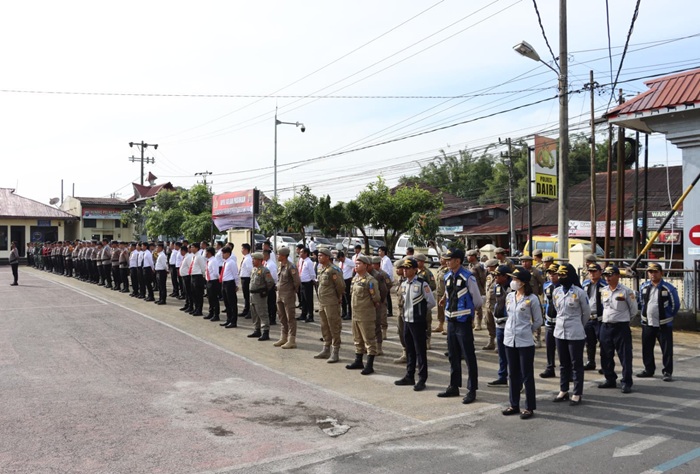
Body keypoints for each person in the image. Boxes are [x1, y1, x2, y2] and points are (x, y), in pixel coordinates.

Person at [437, 248, 483, 405]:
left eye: (450, 259)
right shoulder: (448, 275)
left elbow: (477, 300)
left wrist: (469, 314)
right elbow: (451, 294)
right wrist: (444, 300)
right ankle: (454, 385)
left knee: (469, 356)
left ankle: (472, 390)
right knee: (453, 355)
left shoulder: (468, 277)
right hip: (451, 321)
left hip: (463, 322)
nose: (447, 261)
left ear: (458, 261)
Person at [394, 258, 436, 391]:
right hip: (407, 319)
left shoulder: (422, 284)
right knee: (409, 349)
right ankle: (409, 375)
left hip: (417, 322)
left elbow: (431, 302)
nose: (405, 271)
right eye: (404, 268)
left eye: (407, 268)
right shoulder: (405, 284)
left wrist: (420, 312)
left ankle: (422, 379)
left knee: (420, 351)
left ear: (414, 270)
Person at [552, 264, 590, 406]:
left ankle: (577, 392)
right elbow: (557, 308)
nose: (561, 278)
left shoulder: (580, 292)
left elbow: (586, 313)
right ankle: (563, 390)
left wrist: (578, 324)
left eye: (564, 275)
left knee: (576, 364)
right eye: (559, 275)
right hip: (560, 331)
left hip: (575, 331)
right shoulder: (556, 291)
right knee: (563, 363)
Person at [637, 262, 680, 382]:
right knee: (647, 348)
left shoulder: (668, 288)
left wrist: (668, 316)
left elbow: (675, 305)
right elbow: (641, 302)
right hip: (647, 323)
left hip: (664, 324)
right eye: (650, 272)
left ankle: (667, 372)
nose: (653, 275)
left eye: (655, 272)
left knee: (666, 350)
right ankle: (648, 369)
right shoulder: (644, 287)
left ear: (661, 273)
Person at [598, 265, 636, 393]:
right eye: (606, 275)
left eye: (610, 275)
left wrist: (623, 320)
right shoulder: (603, 290)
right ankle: (610, 379)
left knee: (625, 355)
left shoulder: (626, 291)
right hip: (606, 326)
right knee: (605, 354)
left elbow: (633, 310)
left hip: (621, 327)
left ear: (618, 276)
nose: (607, 278)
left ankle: (626, 382)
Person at [346, 255, 381, 375]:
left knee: (369, 340)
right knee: (357, 339)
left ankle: (369, 365)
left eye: (359, 264)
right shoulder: (355, 279)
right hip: (355, 314)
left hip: (366, 315)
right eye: (355, 264)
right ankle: (358, 361)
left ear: (366, 266)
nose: (356, 266)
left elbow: (376, 298)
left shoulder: (370, 281)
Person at [314, 248, 346, 362]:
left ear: (328, 257)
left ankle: (335, 351)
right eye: (318, 255)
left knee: (334, 327)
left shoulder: (334, 270)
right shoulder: (321, 269)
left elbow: (341, 286)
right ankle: (326, 349)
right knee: (324, 326)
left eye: (321, 255)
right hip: (322, 303)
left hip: (331, 302)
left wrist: (338, 297)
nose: (319, 257)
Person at [487, 265, 511, 387]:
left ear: (505, 276)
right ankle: (502, 376)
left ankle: (515, 379)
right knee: (501, 353)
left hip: (510, 325)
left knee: (511, 354)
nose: (495, 277)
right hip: (499, 324)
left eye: (498, 275)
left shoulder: (512, 288)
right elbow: (495, 302)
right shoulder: (497, 286)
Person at [274, 247, 301, 348]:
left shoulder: (291, 266)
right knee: (282, 317)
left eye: (279, 254)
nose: (277, 256)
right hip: (280, 295)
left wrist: (292, 291)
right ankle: (283, 337)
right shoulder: (281, 266)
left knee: (290, 317)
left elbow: (297, 282)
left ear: (284, 255)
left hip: (288, 295)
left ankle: (292, 339)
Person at [582, 263, 606, 371]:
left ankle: (604, 364)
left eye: (594, 271)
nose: (592, 274)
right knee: (589, 342)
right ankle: (590, 361)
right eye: (590, 271)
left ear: (600, 272)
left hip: (600, 318)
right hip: (588, 317)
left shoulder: (604, 285)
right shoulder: (585, 284)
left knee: (603, 342)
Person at [247, 252, 275, 341]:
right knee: (254, 313)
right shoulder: (254, 270)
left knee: (262, 313)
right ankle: (257, 330)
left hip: (260, 295)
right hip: (252, 294)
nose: (252, 261)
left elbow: (270, 282)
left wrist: (264, 291)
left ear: (259, 260)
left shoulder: (264, 270)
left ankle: (265, 332)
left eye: (254, 259)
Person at [540, 264, 561, 378]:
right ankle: (550, 367)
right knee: (549, 347)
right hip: (549, 321)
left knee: (563, 349)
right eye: (550, 274)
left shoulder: (563, 286)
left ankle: (567, 370)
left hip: (560, 322)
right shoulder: (546, 285)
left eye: (554, 274)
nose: (552, 276)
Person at [371, 256, 391, 354]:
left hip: (381, 301)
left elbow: (388, 285)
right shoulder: (370, 274)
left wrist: (382, 298)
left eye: (373, 264)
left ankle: (384, 333)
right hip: (372, 302)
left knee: (382, 318)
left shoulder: (382, 274)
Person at [415, 253, 435, 348]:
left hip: (425, 300)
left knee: (427, 321)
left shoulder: (427, 273)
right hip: (415, 301)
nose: (416, 262)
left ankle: (428, 340)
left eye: (418, 261)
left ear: (422, 262)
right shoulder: (414, 271)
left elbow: (433, 285)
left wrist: (423, 289)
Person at [219, 246, 240, 329]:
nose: (222, 255)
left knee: (232, 303)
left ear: (228, 253)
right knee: (226, 303)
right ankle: (228, 319)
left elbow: (235, 274)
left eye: (223, 253)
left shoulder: (231, 262)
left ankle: (233, 321)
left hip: (230, 283)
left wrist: (236, 284)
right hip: (224, 283)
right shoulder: (225, 262)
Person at [466, 250, 487, 331]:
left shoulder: (478, 266)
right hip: (471, 288)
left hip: (478, 288)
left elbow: (482, 278)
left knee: (478, 307)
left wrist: (482, 288)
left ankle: (478, 323)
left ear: (474, 256)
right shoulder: (469, 265)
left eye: (469, 256)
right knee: (470, 306)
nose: (468, 257)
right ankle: (472, 322)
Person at [481, 259, 499, 350]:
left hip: (496, 304)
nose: (487, 269)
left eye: (489, 267)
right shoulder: (489, 277)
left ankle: (498, 344)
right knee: (489, 323)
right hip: (488, 303)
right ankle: (491, 341)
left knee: (498, 324)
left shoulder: (499, 277)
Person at [297, 247, 316, 323]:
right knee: (303, 299)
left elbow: (312, 273)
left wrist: (313, 280)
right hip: (301, 282)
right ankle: (303, 314)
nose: (300, 253)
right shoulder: (301, 260)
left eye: (302, 252)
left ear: (306, 253)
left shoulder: (309, 262)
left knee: (308, 300)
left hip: (307, 283)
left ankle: (310, 315)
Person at [188, 244, 207, 316]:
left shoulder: (199, 257)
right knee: (194, 294)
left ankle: (199, 310)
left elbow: (203, 267)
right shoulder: (194, 256)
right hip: (193, 276)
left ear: (197, 248)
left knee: (198, 294)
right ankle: (196, 308)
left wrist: (203, 277)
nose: (191, 248)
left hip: (198, 277)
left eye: (193, 247)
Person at [432, 255, 449, 335]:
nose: (441, 260)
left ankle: (448, 327)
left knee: (446, 310)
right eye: (441, 258)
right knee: (440, 311)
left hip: (445, 293)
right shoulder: (440, 269)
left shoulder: (448, 270)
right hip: (439, 292)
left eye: (443, 259)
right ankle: (440, 325)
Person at [336, 251, 355, 320]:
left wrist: (352, 276)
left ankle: (349, 313)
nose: (340, 260)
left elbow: (355, 267)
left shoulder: (349, 262)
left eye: (341, 259)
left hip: (347, 280)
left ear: (343, 257)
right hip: (342, 280)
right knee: (342, 298)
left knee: (348, 298)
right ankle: (344, 312)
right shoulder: (340, 263)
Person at [204, 246, 220, 319]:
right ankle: (211, 312)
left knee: (214, 298)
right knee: (210, 298)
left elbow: (216, 272)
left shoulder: (214, 261)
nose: (205, 253)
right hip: (209, 281)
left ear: (209, 252)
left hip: (213, 281)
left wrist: (214, 280)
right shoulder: (209, 260)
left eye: (206, 252)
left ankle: (216, 314)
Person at [378, 246, 395, 317]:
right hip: (382, 279)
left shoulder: (387, 260)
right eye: (378, 251)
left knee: (387, 295)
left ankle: (390, 311)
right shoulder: (381, 260)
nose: (379, 252)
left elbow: (390, 270)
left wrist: (389, 281)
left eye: (380, 251)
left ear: (384, 252)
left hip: (386, 279)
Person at [263, 249, 278, 326]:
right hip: (266, 285)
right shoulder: (266, 263)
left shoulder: (271, 264)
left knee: (271, 303)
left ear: (267, 255)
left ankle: (272, 318)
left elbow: (274, 276)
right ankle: (269, 317)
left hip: (270, 285)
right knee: (267, 303)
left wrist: (274, 284)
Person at [239, 243, 253, 318]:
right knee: (245, 296)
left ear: (246, 249)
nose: (241, 250)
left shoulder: (248, 259)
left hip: (247, 278)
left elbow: (251, 270)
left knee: (247, 296)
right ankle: (246, 310)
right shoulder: (245, 258)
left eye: (242, 248)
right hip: (244, 278)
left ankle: (249, 311)